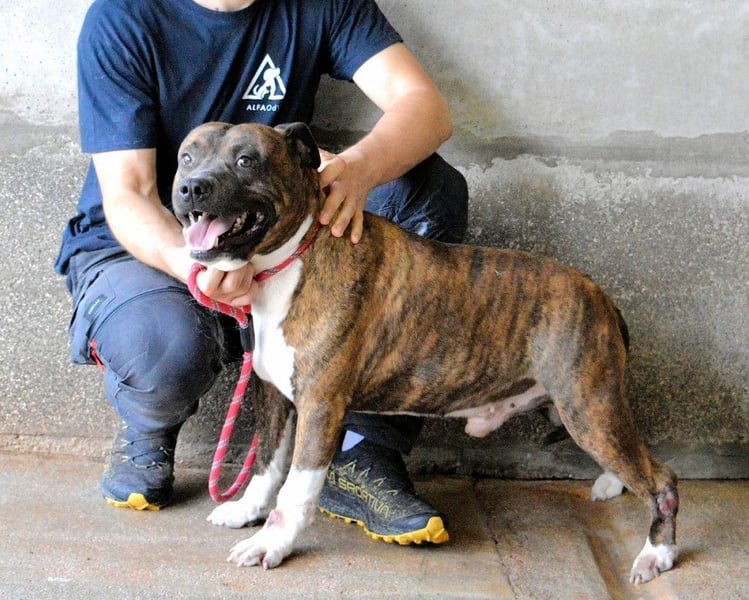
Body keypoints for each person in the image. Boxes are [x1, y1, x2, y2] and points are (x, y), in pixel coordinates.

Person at [56, 0, 468, 546]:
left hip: (275, 240)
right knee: (165, 344)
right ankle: (149, 422)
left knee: (429, 188)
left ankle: (361, 449)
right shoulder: (124, 16)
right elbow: (129, 193)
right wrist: (195, 267)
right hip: (152, 247)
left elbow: (425, 107)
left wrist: (360, 168)